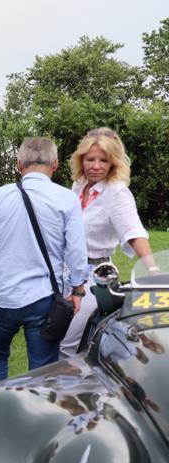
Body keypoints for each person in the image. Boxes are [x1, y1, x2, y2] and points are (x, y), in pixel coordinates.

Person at [0, 138, 88, 388]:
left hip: (1, 296)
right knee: (42, 367)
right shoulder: (66, 199)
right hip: (43, 297)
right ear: (54, 165)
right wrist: (77, 289)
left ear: (19, 164)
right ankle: (36, 419)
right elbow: (76, 251)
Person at [60, 127, 157, 356]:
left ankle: (67, 389)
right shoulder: (78, 186)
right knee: (52, 334)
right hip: (64, 271)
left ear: (113, 163)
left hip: (93, 277)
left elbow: (134, 232)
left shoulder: (117, 192)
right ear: (80, 159)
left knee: (68, 344)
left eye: (103, 161)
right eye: (90, 159)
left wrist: (152, 269)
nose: (95, 166)